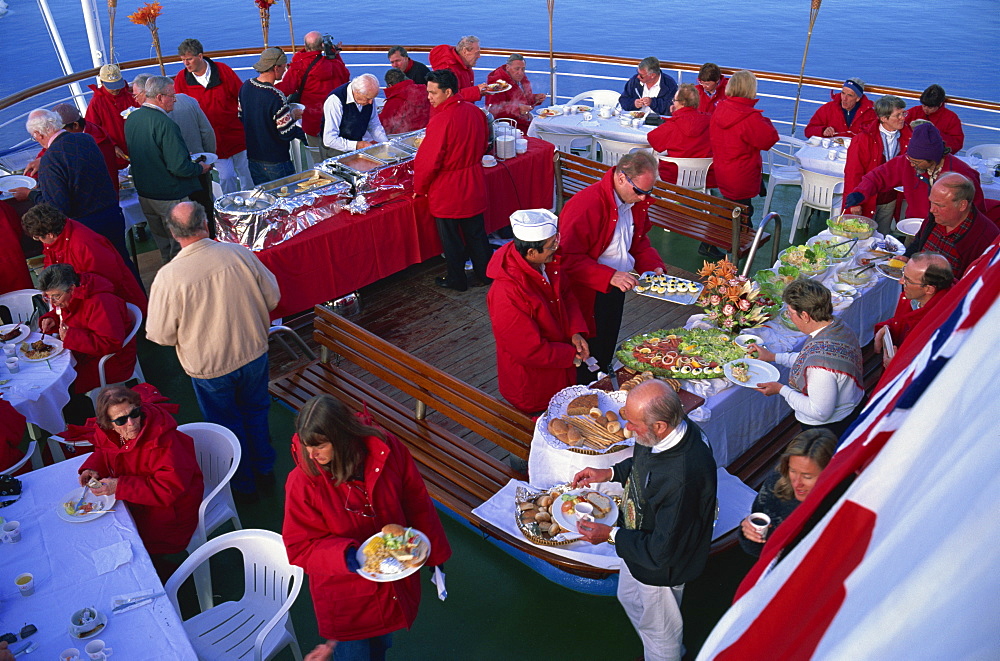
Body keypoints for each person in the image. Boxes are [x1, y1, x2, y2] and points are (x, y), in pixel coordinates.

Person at [282, 395, 451, 661]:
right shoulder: (302, 482)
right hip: (346, 597)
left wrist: (436, 554)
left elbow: (416, 500)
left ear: (341, 435)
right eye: (306, 445)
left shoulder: (388, 449)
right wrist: (348, 556)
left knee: (381, 646)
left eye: (320, 445)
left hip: (390, 585)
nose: (312, 455)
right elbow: (299, 546)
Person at [571, 380, 716, 661]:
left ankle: (665, 656)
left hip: (662, 566)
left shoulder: (683, 477)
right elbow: (644, 463)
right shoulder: (665, 431)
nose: (627, 429)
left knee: (660, 630)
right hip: (638, 540)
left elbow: (662, 551)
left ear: (660, 426)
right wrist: (610, 473)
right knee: (629, 598)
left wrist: (610, 535)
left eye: (634, 423)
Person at [146, 201, 280, 500]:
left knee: (226, 426)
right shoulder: (238, 253)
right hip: (253, 353)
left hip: (210, 369)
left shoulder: (169, 277)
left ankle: (243, 486)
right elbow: (273, 297)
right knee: (257, 412)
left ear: (172, 232)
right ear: (204, 223)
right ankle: (266, 470)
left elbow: (160, 335)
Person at [74, 383, 203, 579]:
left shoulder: (165, 441)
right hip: (138, 502)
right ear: (108, 424)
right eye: (121, 420)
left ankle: (160, 571)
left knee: (119, 544)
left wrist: (120, 486)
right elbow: (104, 450)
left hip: (169, 512)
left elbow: (169, 489)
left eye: (135, 413)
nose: (132, 422)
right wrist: (92, 468)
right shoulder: (110, 433)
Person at [559, 151, 665, 377]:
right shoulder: (585, 205)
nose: (644, 198)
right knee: (588, 352)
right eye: (640, 191)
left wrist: (652, 266)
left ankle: (602, 378)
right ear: (620, 178)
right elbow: (566, 258)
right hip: (585, 293)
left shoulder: (633, 202)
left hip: (616, 286)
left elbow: (638, 241)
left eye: (649, 192)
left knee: (607, 342)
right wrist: (608, 276)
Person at [486, 209, 590, 415]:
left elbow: (567, 295)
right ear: (532, 253)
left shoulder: (546, 263)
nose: (556, 248)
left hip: (558, 367)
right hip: (533, 385)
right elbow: (528, 350)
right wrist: (570, 355)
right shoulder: (506, 293)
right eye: (551, 245)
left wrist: (575, 331)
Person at [12, 109, 131, 264]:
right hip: (112, 214)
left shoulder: (50, 160)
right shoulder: (86, 139)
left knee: (101, 271)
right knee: (123, 263)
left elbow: (57, 207)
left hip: (87, 226)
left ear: (39, 135)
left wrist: (30, 194)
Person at [751, 278, 864, 435]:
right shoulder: (837, 326)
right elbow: (809, 356)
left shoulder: (820, 368)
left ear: (804, 315)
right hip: (852, 403)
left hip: (828, 428)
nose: (789, 317)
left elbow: (819, 412)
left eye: (790, 313)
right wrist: (773, 357)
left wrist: (781, 389)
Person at [413, 69, 491, 292]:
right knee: (476, 233)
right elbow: (484, 142)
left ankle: (457, 279)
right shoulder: (475, 112)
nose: (429, 97)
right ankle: (485, 274)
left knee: (451, 239)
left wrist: (420, 187)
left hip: (448, 188)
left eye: (433, 93)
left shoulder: (441, 120)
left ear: (447, 92)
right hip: (473, 181)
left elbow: (428, 162)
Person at [125, 76, 211, 263]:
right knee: (181, 247)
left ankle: (168, 273)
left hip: (146, 195)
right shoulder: (166, 124)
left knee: (162, 244)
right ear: (160, 97)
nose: (175, 99)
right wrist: (200, 168)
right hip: (170, 196)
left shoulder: (132, 119)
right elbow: (179, 167)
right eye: (172, 96)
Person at [843, 123, 985, 223]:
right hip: (915, 226)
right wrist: (861, 192)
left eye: (916, 162)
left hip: (947, 232)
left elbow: (977, 214)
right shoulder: (907, 162)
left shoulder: (962, 175)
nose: (911, 164)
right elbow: (878, 176)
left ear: (933, 157)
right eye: (910, 159)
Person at [21, 203, 147, 313]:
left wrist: (68, 294)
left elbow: (108, 283)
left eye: (38, 237)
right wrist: (50, 287)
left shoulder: (86, 245)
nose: (39, 241)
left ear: (50, 234)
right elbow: (51, 259)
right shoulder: (56, 236)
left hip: (112, 304)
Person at [37, 263, 135, 395]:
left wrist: (71, 337)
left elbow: (111, 343)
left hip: (109, 361)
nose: (52, 302)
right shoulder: (70, 295)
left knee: (59, 387)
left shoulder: (102, 303)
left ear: (72, 289)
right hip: (82, 353)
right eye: (47, 297)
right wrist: (52, 319)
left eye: (56, 296)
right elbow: (65, 311)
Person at [738, 429, 837, 557]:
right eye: (793, 471)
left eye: (807, 476)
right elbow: (758, 549)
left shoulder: (844, 501)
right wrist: (748, 532)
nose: (796, 483)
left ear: (829, 471)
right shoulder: (776, 483)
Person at [174, 38, 252, 193]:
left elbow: (242, 95)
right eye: (183, 60)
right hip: (212, 140)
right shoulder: (181, 80)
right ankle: (230, 208)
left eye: (189, 59)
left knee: (246, 173)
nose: (186, 64)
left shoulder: (223, 71)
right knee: (226, 177)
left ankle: (252, 202)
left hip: (235, 133)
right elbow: (181, 109)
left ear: (200, 56)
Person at [709, 70, 778, 233]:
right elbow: (769, 139)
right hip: (742, 174)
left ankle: (714, 244)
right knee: (741, 213)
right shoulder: (749, 117)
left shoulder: (720, 108)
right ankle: (736, 248)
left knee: (731, 208)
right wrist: (764, 119)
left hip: (723, 169)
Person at [900, 173, 999, 279]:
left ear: (962, 205)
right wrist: (907, 257)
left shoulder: (985, 238)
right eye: (931, 202)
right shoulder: (935, 217)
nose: (932, 209)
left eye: (940, 205)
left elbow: (974, 284)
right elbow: (918, 243)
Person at [842, 95, 912, 233]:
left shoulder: (909, 136)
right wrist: (855, 202)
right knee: (859, 236)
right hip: (867, 198)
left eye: (904, 113)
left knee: (882, 235)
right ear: (883, 118)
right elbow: (852, 173)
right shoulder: (862, 140)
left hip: (891, 198)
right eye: (898, 115)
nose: (903, 118)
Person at [277, 31, 351, 161]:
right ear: (322, 46)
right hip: (336, 118)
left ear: (305, 46)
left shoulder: (300, 65)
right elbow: (345, 78)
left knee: (317, 156)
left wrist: (265, 89)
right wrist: (335, 56)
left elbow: (287, 88)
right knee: (338, 156)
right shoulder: (335, 64)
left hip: (313, 120)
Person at [239, 47, 307, 185]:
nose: (285, 70)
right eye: (284, 66)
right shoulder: (276, 96)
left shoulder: (245, 86)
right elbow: (286, 133)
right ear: (276, 68)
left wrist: (289, 117)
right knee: (287, 199)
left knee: (268, 201)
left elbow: (242, 117)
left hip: (253, 158)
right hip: (277, 161)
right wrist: (305, 134)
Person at [873, 252, 953, 364]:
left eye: (907, 280)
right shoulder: (915, 296)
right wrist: (886, 329)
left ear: (929, 289)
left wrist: (895, 367)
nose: (900, 281)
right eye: (903, 274)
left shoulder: (939, 322)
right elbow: (903, 321)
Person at [646, 83, 712, 185]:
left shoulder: (673, 125)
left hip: (674, 176)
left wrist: (674, 116)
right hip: (704, 176)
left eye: (674, 100)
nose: (673, 102)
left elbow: (653, 139)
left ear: (681, 103)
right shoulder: (710, 121)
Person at [84, 63, 138, 168]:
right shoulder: (96, 103)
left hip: (136, 146)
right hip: (114, 151)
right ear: (102, 82)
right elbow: (92, 129)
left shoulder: (130, 96)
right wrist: (112, 146)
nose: (115, 90)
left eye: (117, 85)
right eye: (111, 86)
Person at [322, 74, 389, 156]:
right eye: (368, 98)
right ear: (357, 92)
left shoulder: (369, 96)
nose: (371, 102)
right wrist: (357, 145)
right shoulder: (335, 101)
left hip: (355, 148)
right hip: (334, 151)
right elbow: (329, 140)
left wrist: (385, 145)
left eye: (373, 98)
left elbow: (374, 124)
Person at [484, 54, 547, 133]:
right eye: (517, 69)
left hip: (523, 121)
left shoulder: (519, 77)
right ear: (508, 68)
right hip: (508, 127)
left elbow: (524, 100)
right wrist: (518, 109)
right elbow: (493, 110)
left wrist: (535, 98)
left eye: (523, 69)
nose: (520, 72)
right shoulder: (497, 83)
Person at [804, 78, 877, 138]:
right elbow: (808, 131)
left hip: (858, 152)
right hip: (831, 152)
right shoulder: (828, 108)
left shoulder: (870, 114)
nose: (844, 98)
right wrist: (823, 131)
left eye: (849, 95)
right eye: (843, 93)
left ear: (858, 98)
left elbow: (876, 138)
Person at [429, 35, 489, 103]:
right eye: (476, 53)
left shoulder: (464, 64)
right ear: (464, 51)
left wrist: (479, 91)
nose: (479, 56)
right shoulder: (448, 68)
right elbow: (449, 96)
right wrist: (476, 90)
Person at [906, 84, 964, 153]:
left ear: (940, 104)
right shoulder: (915, 111)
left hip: (936, 154)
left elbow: (957, 143)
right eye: (924, 105)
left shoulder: (951, 118)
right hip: (912, 150)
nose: (925, 109)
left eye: (930, 107)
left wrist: (935, 133)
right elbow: (900, 126)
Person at [379, 69, 431, 135]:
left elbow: (385, 125)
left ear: (390, 85)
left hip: (403, 137)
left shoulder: (394, 101)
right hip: (425, 132)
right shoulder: (424, 91)